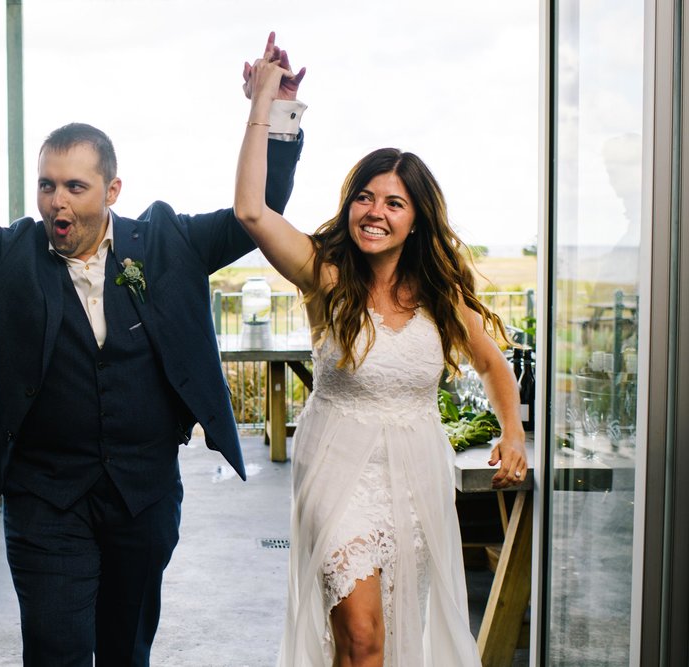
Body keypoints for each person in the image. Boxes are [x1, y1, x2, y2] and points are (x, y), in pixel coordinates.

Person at [0, 36, 305, 667]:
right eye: (47, 186)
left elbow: (258, 213)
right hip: (45, 498)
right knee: (56, 649)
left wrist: (278, 113)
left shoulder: (168, 243)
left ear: (113, 190)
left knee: (126, 650)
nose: (57, 201)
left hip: (143, 494)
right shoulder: (9, 255)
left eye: (74, 186)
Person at [234, 54, 528, 666]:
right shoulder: (326, 276)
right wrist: (266, 106)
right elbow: (252, 213)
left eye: (394, 203)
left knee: (379, 639)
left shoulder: (440, 298)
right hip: (337, 470)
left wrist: (513, 431)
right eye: (364, 198)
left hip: (415, 473)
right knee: (363, 637)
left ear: (417, 219)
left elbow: (495, 366)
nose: (375, 212)